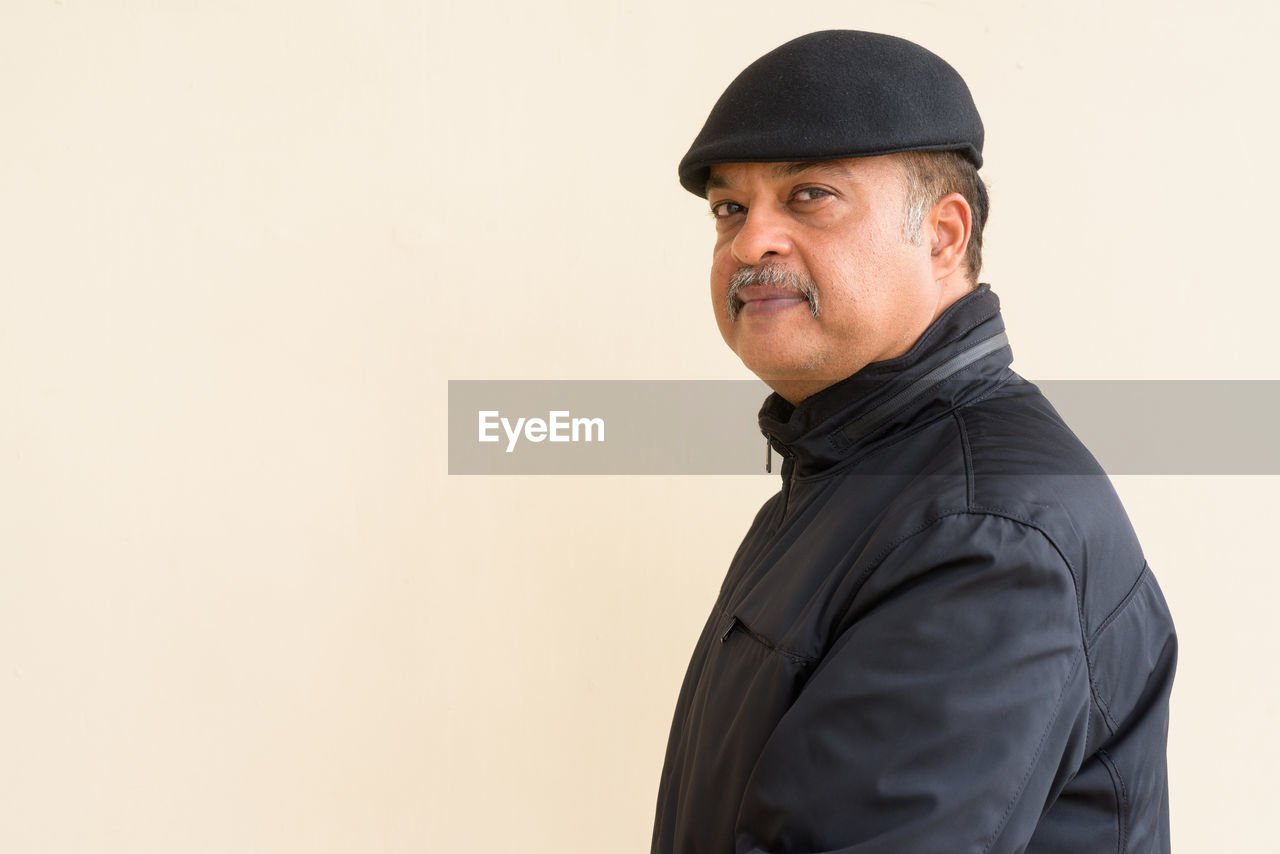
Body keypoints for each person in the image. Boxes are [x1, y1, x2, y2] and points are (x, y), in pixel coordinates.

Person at [651, 31, 1176, 854]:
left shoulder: (985, 533)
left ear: (942, 235)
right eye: (730, 209)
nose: (751, 244)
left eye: (810, 195)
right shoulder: (846, 476)